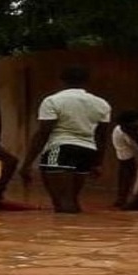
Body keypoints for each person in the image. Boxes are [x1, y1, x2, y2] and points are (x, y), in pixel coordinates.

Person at [20, 66, 111, 213]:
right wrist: (97, 163)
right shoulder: (101, 104)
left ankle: (63, 234)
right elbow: (101, 136)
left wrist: (27, 163)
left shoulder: (52, 101)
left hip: (60, 148)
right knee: (72, 200)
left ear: (61, 81)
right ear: (86, 82)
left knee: (61, 201)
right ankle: (75, 234)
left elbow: (43, 133)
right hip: (87, 152)